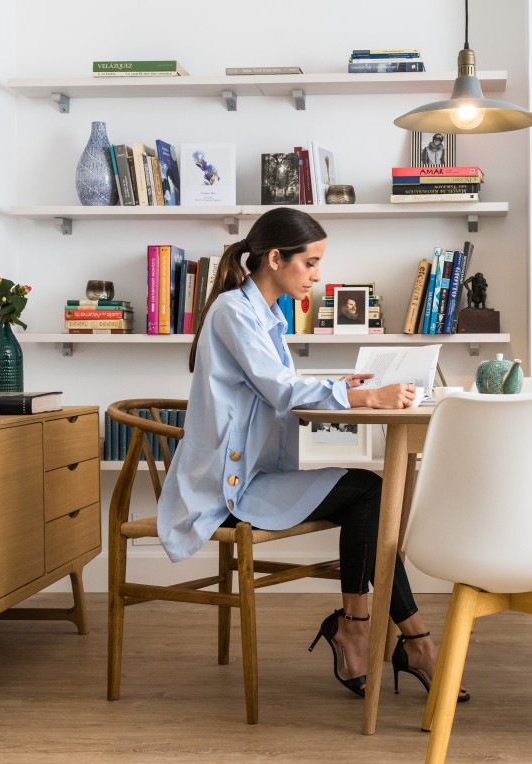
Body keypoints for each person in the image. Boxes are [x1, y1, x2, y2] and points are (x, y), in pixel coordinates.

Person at [158, 207, 468, 703]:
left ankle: (366, 630)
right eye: (311, 263)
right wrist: (364, 398)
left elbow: (275, 388)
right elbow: (281, 392)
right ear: (276, 258)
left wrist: (337, 386)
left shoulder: (265, 313)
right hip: (229, 484)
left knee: (368, 493)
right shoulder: (234, 312)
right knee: (369, 491)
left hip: (256, 472)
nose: (318, 276)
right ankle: (406, 639)